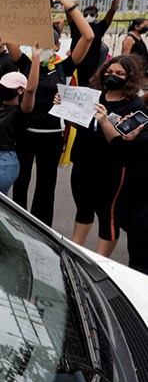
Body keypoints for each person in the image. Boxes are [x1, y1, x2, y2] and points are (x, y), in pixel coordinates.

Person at [7, 0, 94, 227]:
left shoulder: (63, 67)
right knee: (21, 182)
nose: (41, 48)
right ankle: (17, 225)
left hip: (51, 136)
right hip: (25, 134)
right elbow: (8, 35)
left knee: (46, 188)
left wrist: (69, 6)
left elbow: (88, 37)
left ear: (57, 46)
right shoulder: (25, 63)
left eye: (47, 44)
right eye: (37, 43)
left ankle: (41, 230)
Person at [59, 55, 145, 257]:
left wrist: (105, 121)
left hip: (111, 172)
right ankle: (75, 250)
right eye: (109, 71)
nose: (112, 76)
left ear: (129, 77)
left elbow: (125, 143)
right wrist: (65, 109)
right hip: (82, 165)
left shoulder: (134, 106)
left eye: (119, 73)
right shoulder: (93, 97)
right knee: (83, 208)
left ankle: (101, 262)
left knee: (108, 216)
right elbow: (78, 125)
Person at [0, 39, 39, 194]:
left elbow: (31, 89)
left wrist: (36, 58)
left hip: (2, 162)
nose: (2, 88)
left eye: (7, 86)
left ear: (19, 90)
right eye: (2, 85)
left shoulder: (21, 111)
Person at [95, 105, 148, 275]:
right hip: (139, 212)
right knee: (138, 266)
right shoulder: (144, 121)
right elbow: (122, 153)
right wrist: (127, 139)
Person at [71, 0, 123, 86]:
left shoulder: (100, 27)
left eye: (91, 14)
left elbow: (113, 8)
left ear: (97, 15)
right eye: (85, 15)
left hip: (92, 68)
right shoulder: (75, 26)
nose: (88, 17)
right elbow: (69, 10)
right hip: (75, 67)